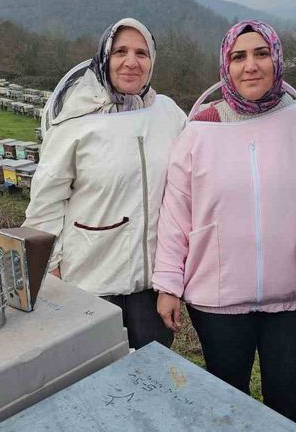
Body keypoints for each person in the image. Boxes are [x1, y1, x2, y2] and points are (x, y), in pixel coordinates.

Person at [151, 20, 296, 429]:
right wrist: (168, 285)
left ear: (277, 60)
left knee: (289, 408)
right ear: (225, 65)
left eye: (261, 54)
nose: (250, 66)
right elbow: (175, 215)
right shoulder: (199, 130)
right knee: (226, 406)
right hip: (218, 300)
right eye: (239, 56)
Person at [23, 18, 186, 349]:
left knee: (150, 379)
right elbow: (46, 201)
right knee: (94, 381)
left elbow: (191, 181)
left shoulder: (168, 114)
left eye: (141, 53)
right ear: (104, 57)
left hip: (151, 286)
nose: (131, 62)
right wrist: (49, 269)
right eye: (120, 51)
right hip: (89, 281)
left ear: (152, 61)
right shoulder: (76, 120)